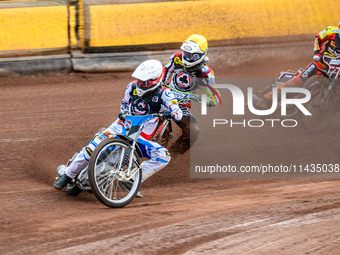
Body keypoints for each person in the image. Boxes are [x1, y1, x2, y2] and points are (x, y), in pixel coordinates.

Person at [54, 60, 183, 196]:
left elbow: (178, 112)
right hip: (121, 127)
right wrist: (124, 113)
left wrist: (173, 113)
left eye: (145, 82)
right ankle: (67, 175)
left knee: (163, 156)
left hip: (140, 136)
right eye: (139, 80)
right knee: (91, 148)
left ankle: (132, 180)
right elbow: (124, 105)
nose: (140, 84)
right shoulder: (131, 87)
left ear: (156, 79)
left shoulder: (165, 94)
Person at [257, 21, 340, 108]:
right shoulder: (332, 31)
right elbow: (318, 37)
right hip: (321, 65)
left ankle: (328, 111)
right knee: (300, 79)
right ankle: (267, 99)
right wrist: (317, 53)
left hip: (337, 71)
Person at [162, 34, 221, 154]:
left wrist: (212, 100)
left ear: (200, 55)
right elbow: (165, 71)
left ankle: (172, 155)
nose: (187, 57)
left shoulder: (206, 73)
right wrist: (161, 84)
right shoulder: (176, 57)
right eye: (186, 53)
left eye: (191, 55)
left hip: (182, 104)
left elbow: (215, 94)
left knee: (193, 131)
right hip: (163, 96)